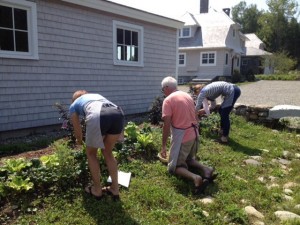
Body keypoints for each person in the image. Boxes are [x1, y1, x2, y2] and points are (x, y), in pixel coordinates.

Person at [160, 76, 216, 195]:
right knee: (189, 159)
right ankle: (206, 169)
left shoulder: (168, 100)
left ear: (166, 88)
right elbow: (196, 116)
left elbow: (166, 125)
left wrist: (163, 146)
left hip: (183, 138)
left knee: (174, 167)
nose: (163, 92)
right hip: (194, 134)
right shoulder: (187, 96)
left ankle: (196, 178)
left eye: (162, 89)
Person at [69, 90, 124, 201]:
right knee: (107, 152)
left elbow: (77, 130)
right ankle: (115, 189)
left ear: (75, 99)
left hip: (98, 115)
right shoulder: (96, 96)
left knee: (91, 153)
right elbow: (109, 112)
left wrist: (79, 141)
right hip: (118, 113)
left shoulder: (74, 105)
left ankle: (97, 190)